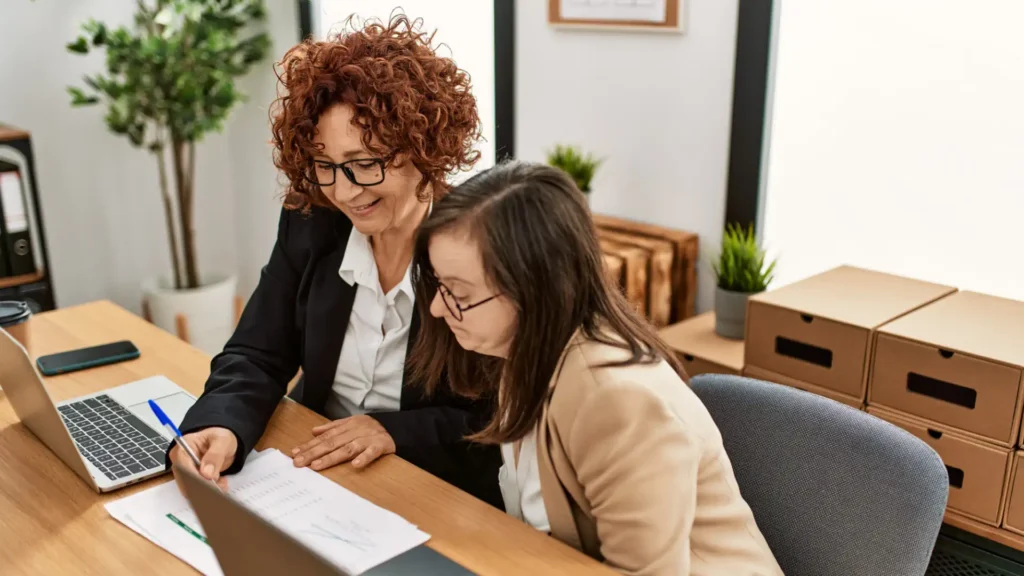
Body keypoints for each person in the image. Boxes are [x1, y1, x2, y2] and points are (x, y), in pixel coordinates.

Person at [166, 14, 502, 509]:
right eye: (325, 165)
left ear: (423, 148)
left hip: (431, 491)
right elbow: (258, 352)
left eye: (365, 163)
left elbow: (503, 419)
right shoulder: (311, 223)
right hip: (313, 474)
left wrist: (393, 432)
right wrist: (221, 422)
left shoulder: (479, 248)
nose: (343, 191)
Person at [407, 161, 784, 575]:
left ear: (534, 291)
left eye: (458, 293)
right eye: (440, 286)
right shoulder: (522, 357)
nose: (438, 308)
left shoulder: (618, 400)